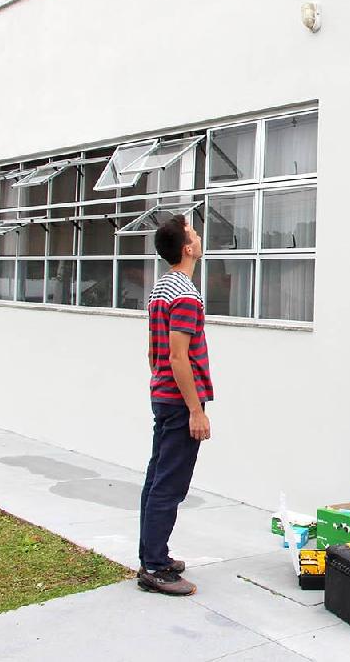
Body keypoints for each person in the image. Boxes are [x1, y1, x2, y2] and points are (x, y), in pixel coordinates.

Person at [137, 215, 211, 596]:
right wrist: (195, 409)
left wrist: (163, 385)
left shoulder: (160, 289)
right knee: (169, 484)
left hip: (163, 396)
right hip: (180, 402)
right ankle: (154, 567)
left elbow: (154, 354)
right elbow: (178, 357)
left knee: (157, 479)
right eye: (194, 233)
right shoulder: (185, 294)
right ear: (187, 248)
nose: (199, 237)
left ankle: (153, 556)